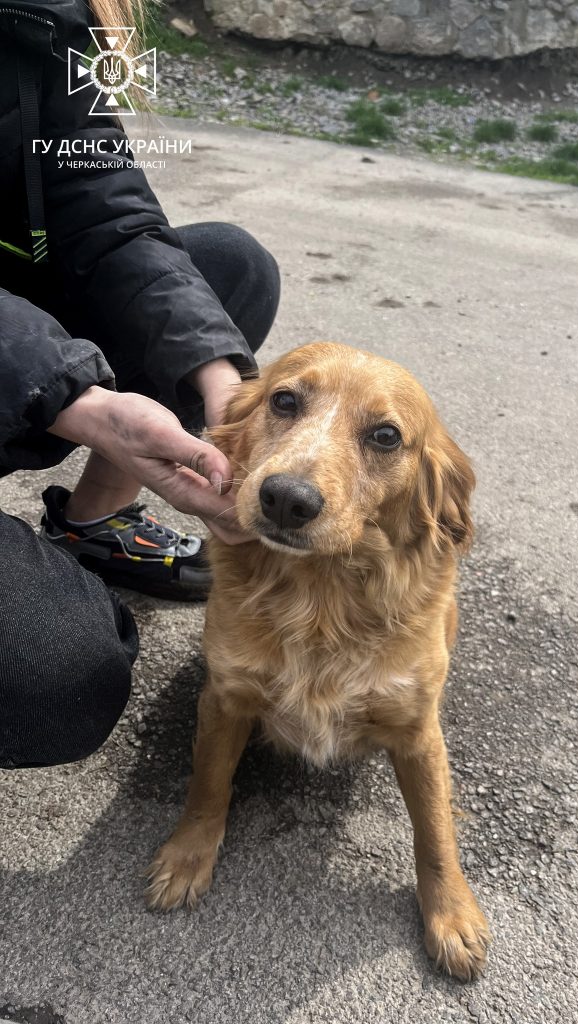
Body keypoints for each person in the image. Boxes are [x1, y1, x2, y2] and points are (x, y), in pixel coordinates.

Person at [0, 0, 280, 768]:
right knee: (56, 678)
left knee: (226, 270)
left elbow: (109, 214)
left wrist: (226, 390)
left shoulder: (51, 13)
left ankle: (91, 526)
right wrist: (80, 399)